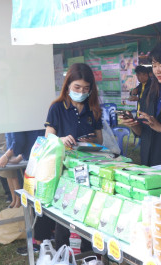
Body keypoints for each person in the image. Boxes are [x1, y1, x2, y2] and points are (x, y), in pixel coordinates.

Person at [45, 63, 103, 250]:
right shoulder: (57, 108)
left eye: (86, 88)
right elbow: (48, 139)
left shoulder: (93, 109)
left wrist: (91, 140)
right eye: (77, 87)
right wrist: (60, 140)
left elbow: (100, 142)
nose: (81, 91)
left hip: (88, 170)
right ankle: (61, 255)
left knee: (87, 214)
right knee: (63, 215)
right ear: (68, 84)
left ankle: (89, 260)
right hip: (64, 171)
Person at [0, 130, 45, 208]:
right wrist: (20, 157)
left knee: (35, 197)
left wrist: (6, 155)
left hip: (36, 158)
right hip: (34, 154)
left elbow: (19, 141)